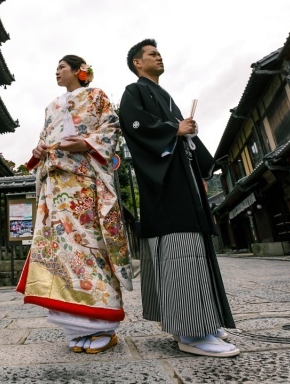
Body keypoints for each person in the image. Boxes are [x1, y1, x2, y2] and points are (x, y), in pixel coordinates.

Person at [119, 39, 239, 358]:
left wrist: (193, 144)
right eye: (151, 54)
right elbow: (135, 126)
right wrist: (175, 129)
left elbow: (181, 135)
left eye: (159, 53)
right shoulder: (135, 92)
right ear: (137, 64)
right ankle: (191, 332)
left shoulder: (166, 97)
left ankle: (203, 321)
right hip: (164, 186)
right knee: (179, 247)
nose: (159, 57)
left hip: (182, 181)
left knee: (194, 246)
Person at [17, 55, 133, 354]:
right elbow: (44, 138)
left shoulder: (97, 96)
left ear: (81, 71)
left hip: (83, 181)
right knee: (62, 250)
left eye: (62, 67)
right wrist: (40, 148)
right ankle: (75, 325)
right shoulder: (51, 106)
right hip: (56, 184)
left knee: (90, 246)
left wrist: (85, 143)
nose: (57, 71)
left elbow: (111, 129)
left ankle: (102, 323)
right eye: (55, 67)